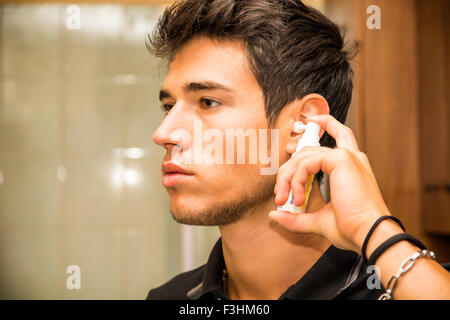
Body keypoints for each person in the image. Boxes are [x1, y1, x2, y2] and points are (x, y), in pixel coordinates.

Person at [146, 0, 450, 300]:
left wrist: (373, 229)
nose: (164, 134)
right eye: (169, 106)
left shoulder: (399, 288)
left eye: (208, 102)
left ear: (302, 124)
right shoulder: (169, 297)